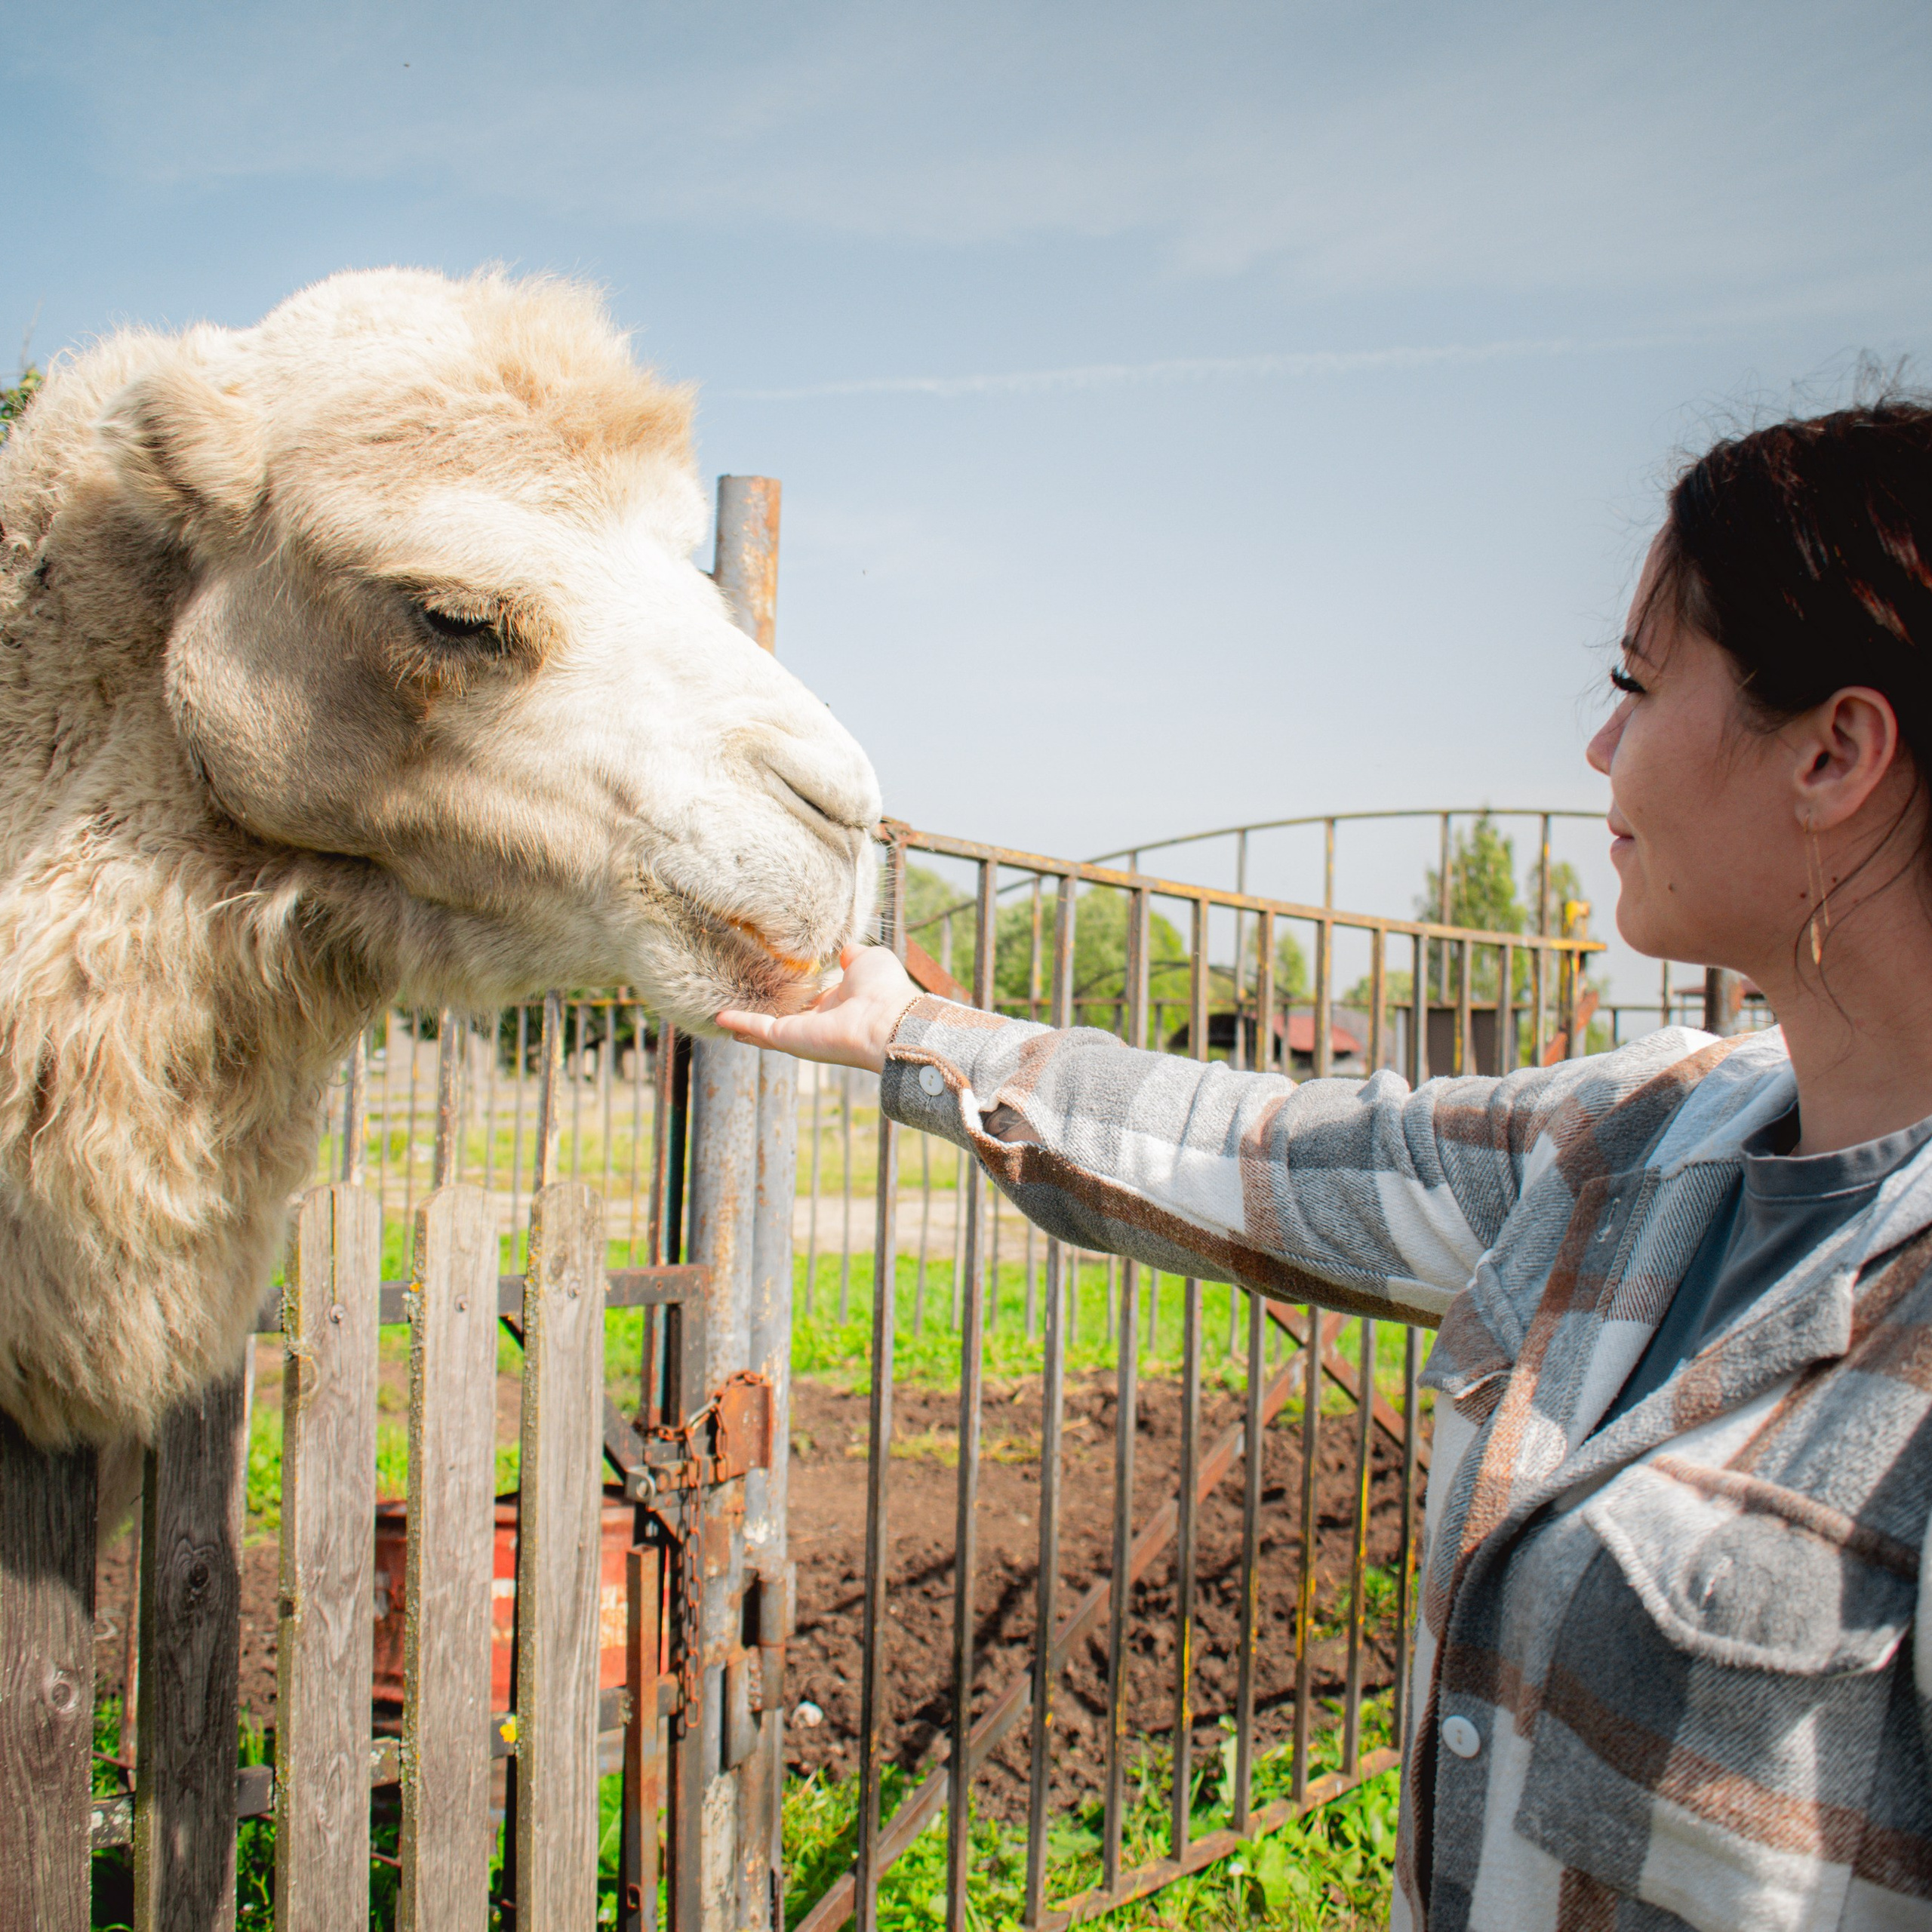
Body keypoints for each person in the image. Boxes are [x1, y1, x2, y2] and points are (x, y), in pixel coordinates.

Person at [720, 402, 1932, 1930]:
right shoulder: (1632, 1140)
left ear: (1831, 749)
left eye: (1635, 681)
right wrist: (910, 1026)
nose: (1596, 742)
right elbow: (1262, 1147)